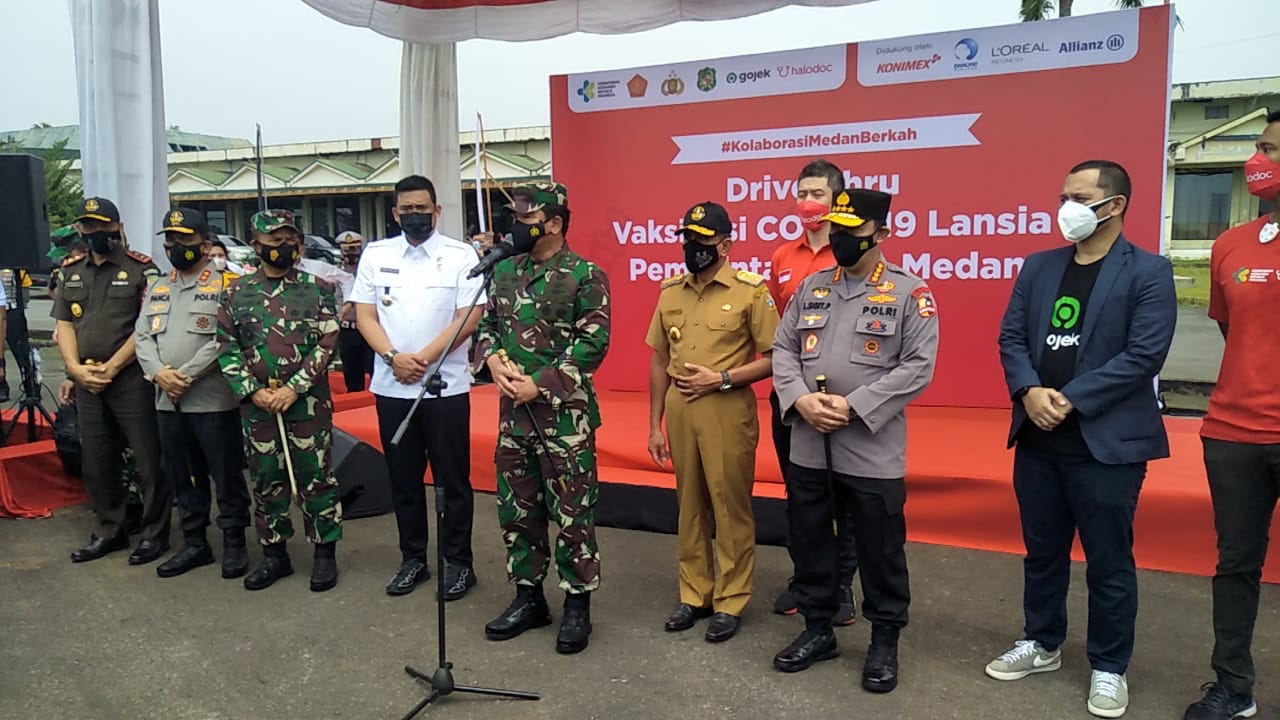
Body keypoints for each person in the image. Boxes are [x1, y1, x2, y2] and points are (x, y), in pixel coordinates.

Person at [989, 160, 1177, 718]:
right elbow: (1011, 337)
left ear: (1114, 205)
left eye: (1080, 196)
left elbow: (1144, 356)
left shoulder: (1148, 271)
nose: (1066, 206)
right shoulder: (1040, 266)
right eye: (1063, 194)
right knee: (1042, 551)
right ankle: (1042, 642)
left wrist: (1069, 397)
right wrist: (1028, 391)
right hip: (1039, 438)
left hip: (1105, 443)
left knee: (1108, 561)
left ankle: (1109, 666)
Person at [770, 189, 936, 692]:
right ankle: (818, 629)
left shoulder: (910, 293)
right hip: (808, 441)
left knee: (880, 549)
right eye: (835, 229)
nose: (839, 239)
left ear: (880, 234)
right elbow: (783, 348)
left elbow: (918, 366)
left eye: (851, 232)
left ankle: (884, 641)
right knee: (812, 540)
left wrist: (854, 405)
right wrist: (799, 399)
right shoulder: (813, 286)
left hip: (870, 447)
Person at [473, 182, 610, 654]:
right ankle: (528, 598)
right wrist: (491, 359)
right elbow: (488, 326)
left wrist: (543, 383)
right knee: (518, 511)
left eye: (528, 220)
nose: (518, 227)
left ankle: (577, 605)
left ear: (554, 224)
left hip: (564, 422)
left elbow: (593, 344)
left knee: (571, 513)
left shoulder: (585, 275)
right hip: (514, 418)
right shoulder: (505, 272)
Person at [1182, 111, 1280, 720]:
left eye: (1270, 149)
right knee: (1236, 566)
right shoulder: (1231, 244)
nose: (1257, 161)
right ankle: (1233, 688)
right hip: (1234, 432)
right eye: (1259, 147)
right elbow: (1229, 327)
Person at [647, 201, 779, 644]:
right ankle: (694, 593)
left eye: (702, 240)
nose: (692, 247)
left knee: (729, 504)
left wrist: (722, 379)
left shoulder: (750, 291)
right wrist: (653, 423)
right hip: (682, 410)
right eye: (687, 238)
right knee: (689, 506)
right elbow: (660, 357)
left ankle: (731, 598)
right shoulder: (671, 292)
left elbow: (775, 359)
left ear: (725, 244)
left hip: (726, 409)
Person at [353, 175, 484, 599]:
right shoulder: (376, 254)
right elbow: (365, 316)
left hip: (445, 388)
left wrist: (422, 359)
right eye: (405, 209)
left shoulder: (461, 255)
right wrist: (394, 359)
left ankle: (458, 564)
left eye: (421, 207)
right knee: (404, 480)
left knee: (453, 481)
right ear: (395, 213)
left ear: (437, 209)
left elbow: (470, 317)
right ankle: (413, 560)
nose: (414, 214)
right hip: (393, 387)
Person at [216, 209, 343, 592]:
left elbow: (327, 342)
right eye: (275, 242)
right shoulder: (236, 292)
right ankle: (275, 555)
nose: (284, 248)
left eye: (290, 241)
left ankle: (324, 553)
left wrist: (295, 387)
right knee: (266, 478)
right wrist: (254, 391)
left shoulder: (317, 287)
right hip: (258, 405)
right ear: (256, 246)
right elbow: (226, 346)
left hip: (306, 403)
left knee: (315, 476)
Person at [136, 208, 251, 580]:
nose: (175, 246)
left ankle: (234, 542)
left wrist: (182, 375)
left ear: (203, 243)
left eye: (183, 240)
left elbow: (225, 340)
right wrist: (158, 374)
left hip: (213, 400)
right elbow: (141, 338)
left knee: (226, 474)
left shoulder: (228, 284)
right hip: (168, 402)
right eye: (169, 239)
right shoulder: (158, 285)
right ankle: (195, 542)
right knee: (183, 475)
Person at [53, 196, 169, 565]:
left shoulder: (142, 270)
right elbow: (65, 324)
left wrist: (113, 367)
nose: (96, 233)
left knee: (148, 461)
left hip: (130, 377)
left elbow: (148, 325)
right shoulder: (71, 270)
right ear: (79, 230)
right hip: (86, 378)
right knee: (97, 461)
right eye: (88, 226)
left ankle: (154, 535)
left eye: (103, 226)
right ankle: (110, 530)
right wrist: (74, 368)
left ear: (118, 228)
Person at [767, 158, 859, 625]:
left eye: (818, 194)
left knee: (843, 493)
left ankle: (841, 584)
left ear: (838, 201)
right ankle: (806, 576)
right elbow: (777, 331)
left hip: (839, 394)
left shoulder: (851, 252)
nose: (809, 202)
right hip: (789, 392)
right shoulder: (783, 256)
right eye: (802, 193)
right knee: (800, 491)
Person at [334, 230, 374, 393]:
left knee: (374, 368)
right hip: (347, 328)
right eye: (347, 250)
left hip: (369, 328)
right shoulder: (335, 273)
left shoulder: (367, 273)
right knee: (351, 371)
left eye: (355, 249)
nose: (351, 254)